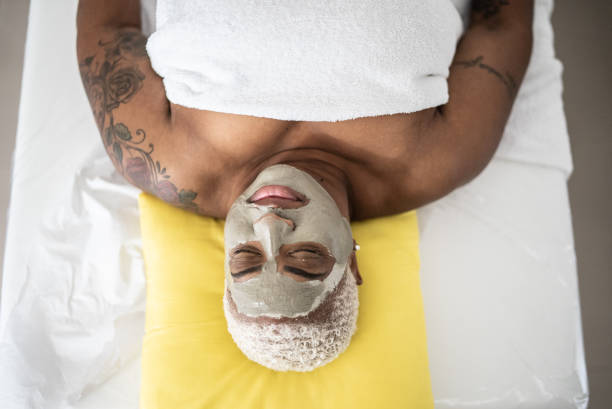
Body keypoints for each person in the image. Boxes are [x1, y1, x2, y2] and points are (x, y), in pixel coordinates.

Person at [76, 0, 533, 371]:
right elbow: (501, 23)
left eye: (246, 256)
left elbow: (110, 24)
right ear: (351, 261)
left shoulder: (161, 161)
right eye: (306, 257)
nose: (271, 226)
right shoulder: (438, 159)